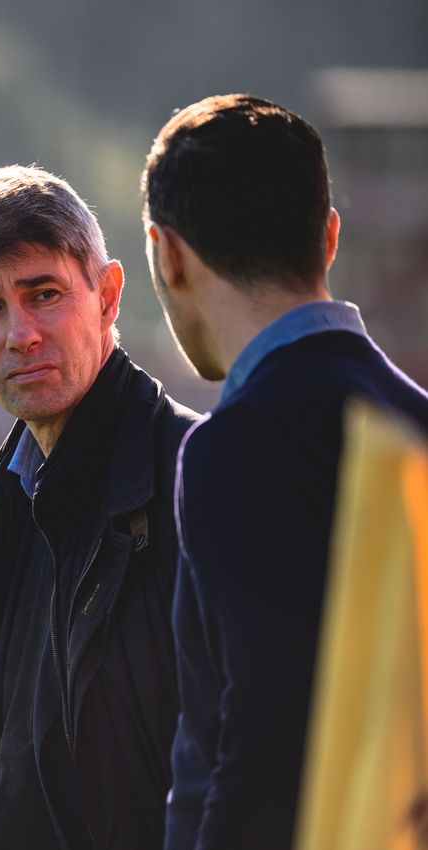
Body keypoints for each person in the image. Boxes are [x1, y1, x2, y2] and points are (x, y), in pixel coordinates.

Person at [141, 94, 428, 850]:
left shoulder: (235, 445)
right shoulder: (417, 424)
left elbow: (258, 748)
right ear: (329, 236)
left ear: (167, 253)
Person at [0, 165, 198, 850]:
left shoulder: (196, 480)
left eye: (43, 294)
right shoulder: (0, 518)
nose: (21, 333)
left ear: (107, 295)